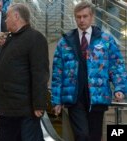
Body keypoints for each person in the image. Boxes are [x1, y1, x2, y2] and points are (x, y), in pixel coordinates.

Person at [51, 1, 127, 141]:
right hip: (74, 96)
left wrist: (120, 88)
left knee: (94, 136)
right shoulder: (65, 42)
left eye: (85, 16)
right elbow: (57, 73)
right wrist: (56, 100)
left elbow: (117, 65)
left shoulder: (106, 40)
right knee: (82, 135)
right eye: (78, 17)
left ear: (92, 17)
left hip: (97, 96)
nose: (81, 20)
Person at [0, 3, 49, 141]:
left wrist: (39, 104)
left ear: (17, 16)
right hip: (7, 110)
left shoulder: (35, 38)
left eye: (7, 17)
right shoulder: (10, 40)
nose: (5, 20)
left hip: (25, 111)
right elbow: (2, 74)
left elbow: (40, 74)